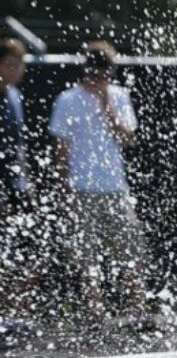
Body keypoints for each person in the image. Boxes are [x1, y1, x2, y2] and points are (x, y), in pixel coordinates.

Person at [49, 41, 148, 319]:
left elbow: (127, 139)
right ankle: (95, 310)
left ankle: (137, 308)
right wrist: (62, 188)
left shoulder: (119, 97)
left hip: (115, 187)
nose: (98, 80)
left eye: (104, 75)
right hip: (81, 188)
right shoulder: (68, 100)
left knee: (129, 247)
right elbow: (61, 150)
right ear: (85, 71)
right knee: (86, 254)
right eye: (94, 74)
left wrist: (107, 107)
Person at [1, 38, 31, 316]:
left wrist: (24, 179)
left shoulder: (15, 96)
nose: (15, 69)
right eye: (10, 64)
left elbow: (19, 144)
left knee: (11, 252)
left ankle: (9, 313)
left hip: (12, 183)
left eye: (19, 64)